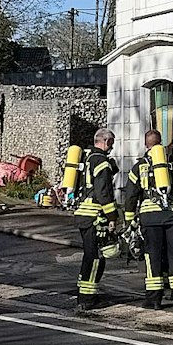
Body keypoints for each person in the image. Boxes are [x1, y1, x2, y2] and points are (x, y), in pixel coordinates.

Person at [128, 130, 173, 308]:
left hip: (150, 218)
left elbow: (131, 195)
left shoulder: (139, 166)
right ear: (161, 143)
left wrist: (129, 219)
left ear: (146, 145)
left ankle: (154, 300)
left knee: (152, 257)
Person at [74, 129, 121, 311]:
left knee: (89, 255)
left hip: (82, 214)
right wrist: (112, 217)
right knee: (96, 258)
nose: (113, 147)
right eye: (112, 143)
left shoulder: (86, 158)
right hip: (95, 215)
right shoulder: (101, 162)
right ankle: (87, 299)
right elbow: (104, 192)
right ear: (107, 141)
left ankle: (83, 292)